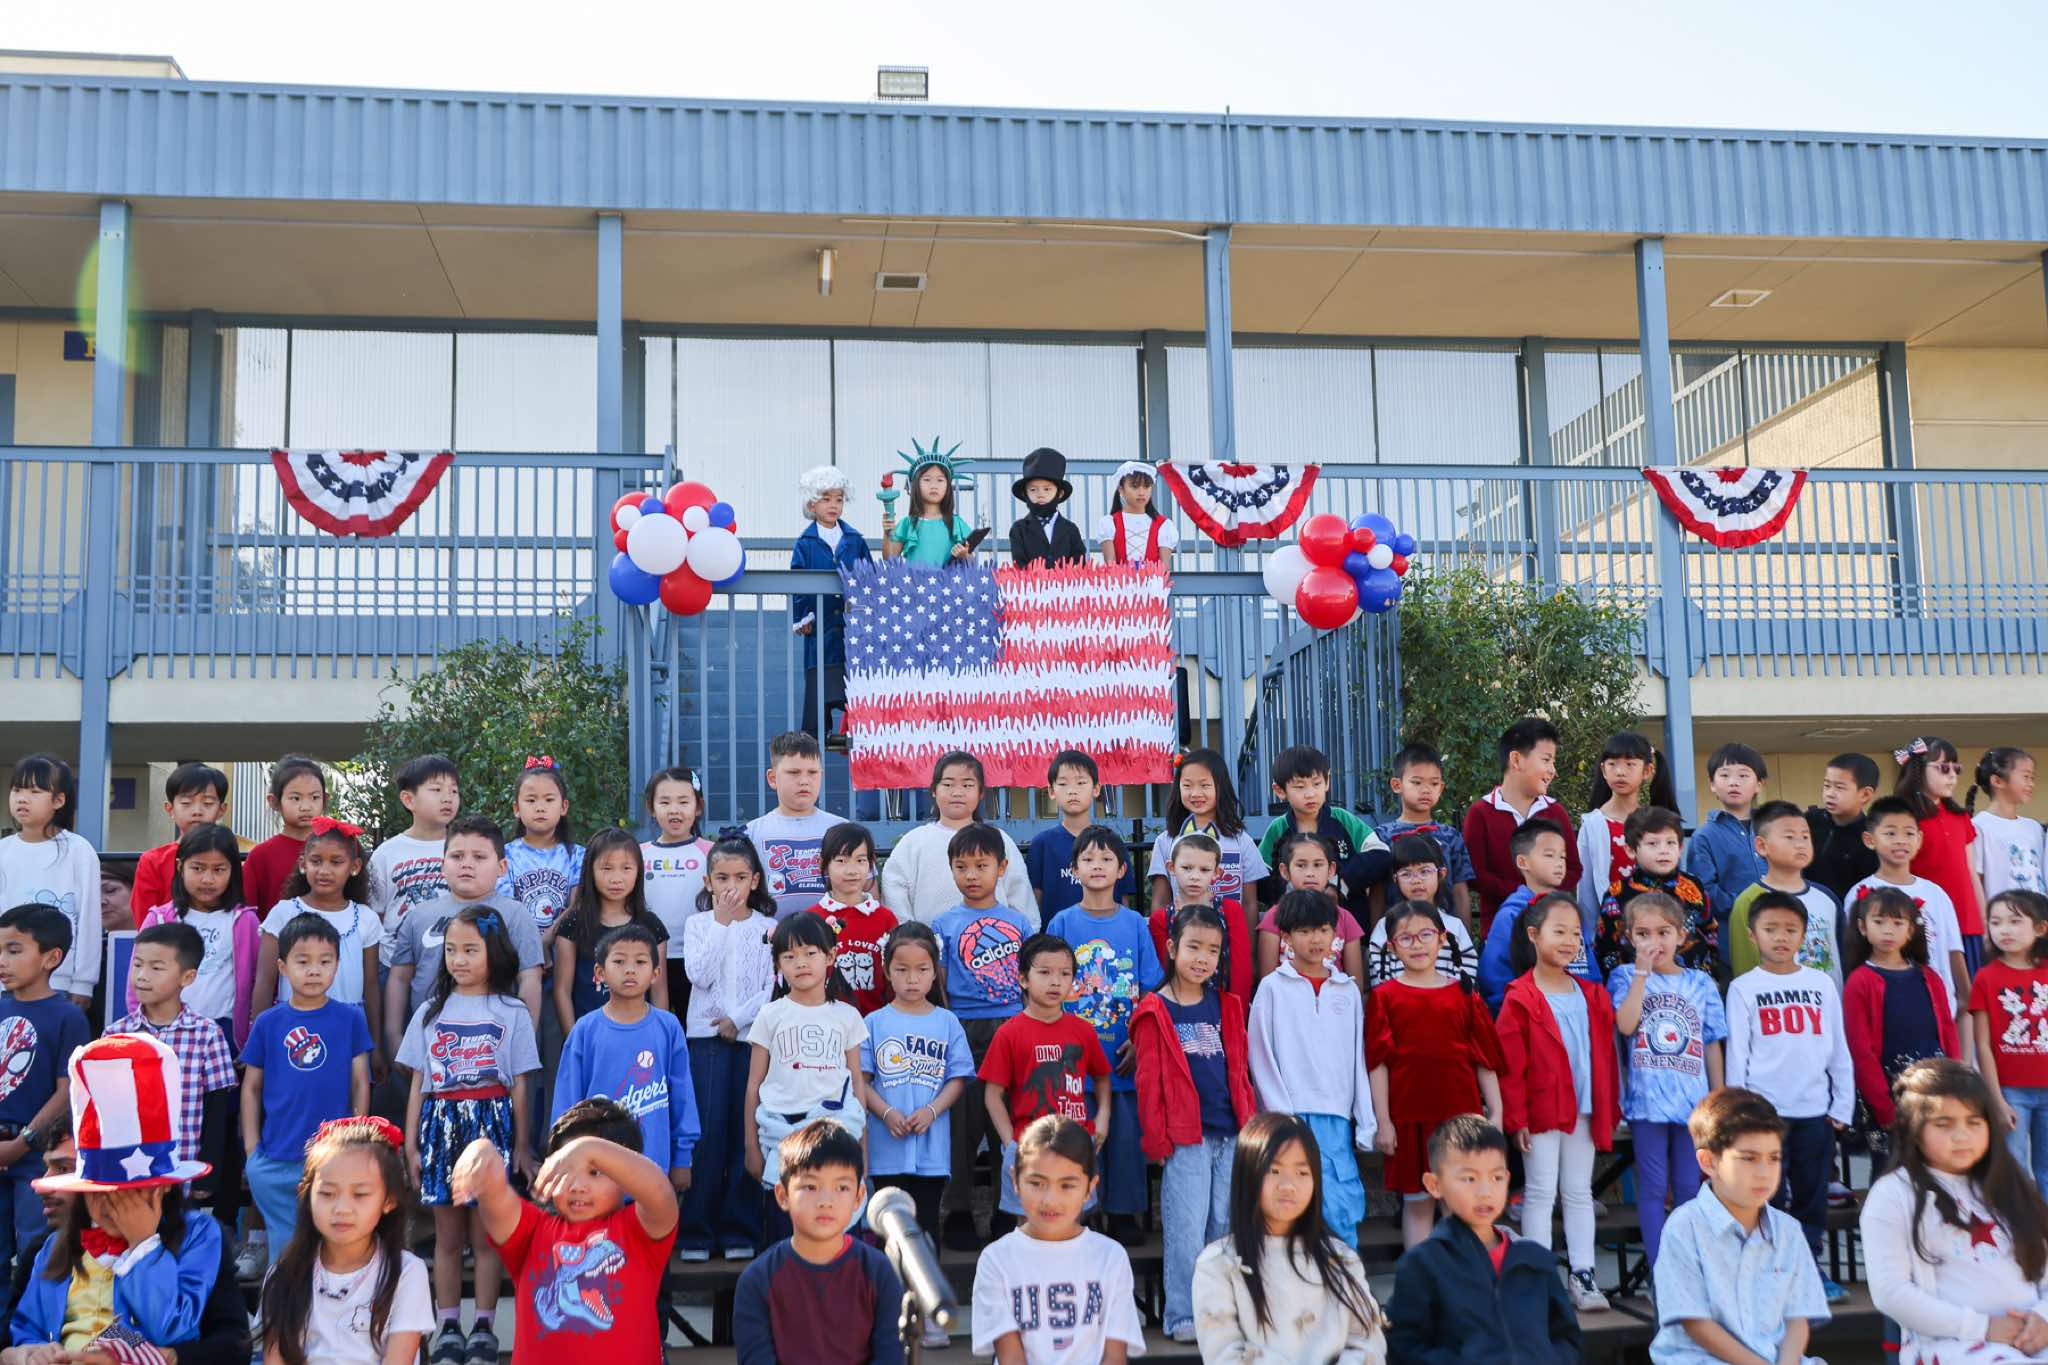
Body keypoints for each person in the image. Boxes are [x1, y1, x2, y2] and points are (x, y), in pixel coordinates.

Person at [4, 1034, 229, 1362]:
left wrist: (143, 1245)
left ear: (162, 1188)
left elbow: (173, 1331)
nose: (114, 1206)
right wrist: (31, 1351)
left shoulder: (198, 1235)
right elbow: (25, 1328)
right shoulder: (53, 1247)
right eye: (100, 1193)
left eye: (130, 1194)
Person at [397, 905, 542, 1364]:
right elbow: (419, 1082)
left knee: (485, 1238)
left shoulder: (512, 1011)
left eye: (470, 950)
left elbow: (521, 1084)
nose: (458, 960)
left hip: (491, 1125)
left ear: (493, 953)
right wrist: (410, 1145)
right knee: (446, 1238)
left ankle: (483, 1326)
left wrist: (521, 1145)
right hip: (441, 1124)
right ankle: (447, 1327)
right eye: (451, 951)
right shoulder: (430, 1011)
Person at [452, 1097, 679, 1365]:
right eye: (566, 1171)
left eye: (595, 1172)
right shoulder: (531, 1231)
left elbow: (660, 1192)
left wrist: (588, 1148)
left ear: (624, 1175)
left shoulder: (639, 1231)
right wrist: (481, 1151)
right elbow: (496, 1198)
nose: (577, 1186)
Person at [1861, 1059, 2048, 1364]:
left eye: (1974, 1122)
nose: (1961, 1135)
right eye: (1943, 1124)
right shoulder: (1892, 1195)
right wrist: (1983, 1327)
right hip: (1950, 1344)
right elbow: (1891, 1292)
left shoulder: (2012, 1186)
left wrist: (2043, 1317)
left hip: (2032, 1335)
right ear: (1913, 1129)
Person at [1132, 905, 1257, 1342]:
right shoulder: (1153, 1010)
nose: (1203, 958)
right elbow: (1148, 1083)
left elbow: (1239, 1072)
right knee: (1186, 1229)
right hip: (1186, 1138)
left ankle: (1220, 1312)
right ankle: (1182, 1314)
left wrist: (1249, 1126)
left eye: (1213, 950)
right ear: (1172, 948)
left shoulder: (1227, 1005)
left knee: (1224, 1227)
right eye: (1194, 947)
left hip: (1231, 1133)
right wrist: (1157, 1141)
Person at [1724, 889, 1854, 1301]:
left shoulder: (1820, 984)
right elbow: (1737, 1055)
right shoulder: (1744, 988)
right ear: (1753, 935)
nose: (1780, 937)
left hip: (1815, 1110)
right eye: (1771, 929)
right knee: (1769, 1194)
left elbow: (1838, 1049)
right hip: (1764, 1115)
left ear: (1803, 935)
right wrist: (1739, 1114)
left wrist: (1842, 1103)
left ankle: (1808, 1266)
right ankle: (1771, 1270)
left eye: (1790, 929)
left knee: (1812, 1195)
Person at [1496, 891, 1620, 1310]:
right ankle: (1539, 1279)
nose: (1570, 941)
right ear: (1534, 935)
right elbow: (1509, 1067)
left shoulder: (1592, 994)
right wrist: (1516, 1119)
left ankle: (1583, 1276)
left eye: (1576, 934)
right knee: (1539, 1192)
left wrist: (1609, 1107)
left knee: (1578, 1192)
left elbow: (1605, 1058)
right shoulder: (1519, 997)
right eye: (1559, 932)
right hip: (1541, 1112)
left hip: (1584, 1109)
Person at [1649, 1087, 1831, 1365]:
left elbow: (1797, 1319)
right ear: (1709, 1162)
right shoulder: (1684, 1227)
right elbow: (1696, 1324)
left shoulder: (1789, 1231)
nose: (1764, 1172)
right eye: (1748, 1158)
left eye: (1774, 1158)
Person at [1191, 1110, 1386, 1362]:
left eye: (1302, 1173)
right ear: (1248, 1175)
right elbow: (1225, 1354)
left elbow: (1367, 1341)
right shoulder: (1219, 1264)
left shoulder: (1341, 1259)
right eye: (1274, 1170)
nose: (1288, 1185)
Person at [1044, 826, 1160, 1244]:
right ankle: (1084, 1213)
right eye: (1088, 859)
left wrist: (1141, 1038)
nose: (1097, 866)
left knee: (1126, 1140)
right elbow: (1048, 986)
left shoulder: (1135, 924)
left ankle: (1124, 1215)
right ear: (1074, 870)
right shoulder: (1062, 922)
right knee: (1077, 1139)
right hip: (1075, 1061)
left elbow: (1151, 990)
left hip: (1123, 1058)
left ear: (1122, 870)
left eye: (1107, 859)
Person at [1386, 1114, 1581, 1363]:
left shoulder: (1534, 1260)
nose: (1485, 1192)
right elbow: (1404, 1347)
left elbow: (1567, 1338)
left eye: (1496, 1178)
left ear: (1507, 1179)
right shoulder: (1423, 1265)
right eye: (1469, 1179)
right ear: (1434, 1184)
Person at [1368, 899, 1503, 1248]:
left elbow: (1484, 1059)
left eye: (1425, 935)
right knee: (1417, 1205)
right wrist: (1383, 1121)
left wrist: (1497, 1113)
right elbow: (1378, 1064)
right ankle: (1423, 1275)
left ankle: (1463, 1274)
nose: (1417, 944)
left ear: (1442, 938)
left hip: (1459, 1118)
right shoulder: (1384, 997)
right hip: (1409, 1118)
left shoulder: (1464, 994)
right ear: (1391, 947)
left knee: (1460, 1204)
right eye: (1406, 938)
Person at [241, 914, 373, 1270]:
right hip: (277, 1154)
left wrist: (358, 1137)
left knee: (331, 1244)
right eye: (303, 961)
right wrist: (252, 1149)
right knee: (285, 1247)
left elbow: (360, 1081)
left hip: (333, 1155)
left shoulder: (350, 1019)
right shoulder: (269, 1022)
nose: (314, 970)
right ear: (283, 967)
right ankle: (280, 1304)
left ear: (337, 965)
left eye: (325, 961)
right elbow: (251, 1087)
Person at [1246, 889, 1376, 1249]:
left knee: (1340, 1207)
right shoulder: (1272, 988)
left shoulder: (1347, 991)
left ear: (1336, 935)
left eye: (1323, 930)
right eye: (1304, 931)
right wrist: (1280, 1112)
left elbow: (1358, 1058)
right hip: (1288, 1115)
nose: (1315, 939)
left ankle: (1342, 1280)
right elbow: (1260, 1054)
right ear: (1286, 938)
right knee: (1289, 1209)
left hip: (1336, 1115)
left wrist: (1365, 1118)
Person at [1609, 892, 1728, 1274]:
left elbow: (1711, 1043)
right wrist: (1641, 975)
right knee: (1654, 1187)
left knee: (1690, 1187)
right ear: (1629, 937)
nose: (1653, 942)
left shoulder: (1701, 983)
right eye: (1643, 934)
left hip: (1693, 1105)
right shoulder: (1624, 977)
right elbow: (1625, 1025)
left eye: (1663, 932)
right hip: (1646, 1104)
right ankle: (1660, 1270)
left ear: (1681, 935)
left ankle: (1688, 1268)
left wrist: (1718, 1097)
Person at [931, 824, 1035, 1250]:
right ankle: (957, 1210)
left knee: (1006, 1122)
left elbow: (1029, 982)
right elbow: (939, 984)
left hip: (1010, 1028)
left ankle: (1006, 1210)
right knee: (962, 1122)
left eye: (981, 865)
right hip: (964, 1029)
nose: (971, 875)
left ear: (1001, 867)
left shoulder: (1019, 923)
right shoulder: (944, 923)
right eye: (962, 867)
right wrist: (949, 1027)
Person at [255, 1116, 432, 1365]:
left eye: (360, 1194)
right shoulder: (283, 1273)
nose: (342, 1208)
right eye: (327, 1193)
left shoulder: (406, 1272)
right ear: (307, 1195)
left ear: (389, 1200)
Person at [970, 1115, 1145, 1364]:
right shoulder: (996, 1260)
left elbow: (1114, 1357)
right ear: (1015, 1180)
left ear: (1090, 1188)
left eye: (1067, 1185)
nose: (1050, 1200)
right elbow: (1011, 1358)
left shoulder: (1111, 1258)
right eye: (1036, 1183)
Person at [677, 835, 777, 1262]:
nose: (731, 886)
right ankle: (696, 1232)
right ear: (708, 881)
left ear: (755, 880)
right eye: (721, 878)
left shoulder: (768, 928)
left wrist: (738, 1019)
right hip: (705, 1041)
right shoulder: (698, 925)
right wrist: (720, 923)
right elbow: (698, 975)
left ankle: (741, 1229)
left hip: (751, 1039)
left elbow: (771, 985)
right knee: (709, 1133)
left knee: (746, 1130)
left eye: (740, 877)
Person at [734, 1120, 907, 1365]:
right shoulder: (758, 1280)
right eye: (811, 1186)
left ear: (859, 1197)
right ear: (782, 1195)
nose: (826, 1200)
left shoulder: (879, 1272)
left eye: (842, 1187)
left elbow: (890, 1356)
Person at [110, 922, 240, 1235]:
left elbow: (218, 1109)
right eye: (138, 965)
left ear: (187, 977)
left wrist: (209, 1171)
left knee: (178, 1240)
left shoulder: (206, 1034)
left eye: (156, 968)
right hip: (129, 1171)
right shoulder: (116, 1034)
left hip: (183, 1168)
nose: (142, 975)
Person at [552, 923, 698, 1198]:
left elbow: (682, 1097)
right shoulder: (585, 1030)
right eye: (619, 961)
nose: (630, 970)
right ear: (600, 973)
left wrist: (682, 1158)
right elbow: (566, 1101)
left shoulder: (668, 1027)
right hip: (596, 1172)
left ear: (656, 973)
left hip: (653, 1171)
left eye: (640, 962)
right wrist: (567, 1154)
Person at [743, 914, 868, 1230]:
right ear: (777, 964)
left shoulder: (847, 1016)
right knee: (784, 1231)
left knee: (835, 1229)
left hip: (836, 1134)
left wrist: (862, 1147)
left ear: (830, 956)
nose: (800, 963)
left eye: (810, 953)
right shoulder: (770, 1015)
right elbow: (754, 1084)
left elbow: (856, 1082)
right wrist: (751, 1146)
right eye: (789, 956)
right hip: (782, 1134)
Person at [382, 815, 545, 1048]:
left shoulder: (516, 915)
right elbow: (399, 978)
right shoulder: (418, 916)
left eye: (479, 857)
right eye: (457, 856)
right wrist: (393, 1036)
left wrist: (523, 1040)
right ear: (443, 864)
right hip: (428, 1043)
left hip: (492, 1044)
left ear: (502, 867)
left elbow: (529, 979)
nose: (466, 864)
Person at [859, 924, 972, 1260]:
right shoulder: (873, 1022)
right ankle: (889, 1292)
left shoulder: (947, 1022)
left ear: (935, 972)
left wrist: (932, 1111)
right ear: (886, 971)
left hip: (931, 1150)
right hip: (886, 1149)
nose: (912, 979)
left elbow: (958, 1078)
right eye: (902, 970)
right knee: (888, 1231)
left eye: (922, 970)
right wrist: (886, 1113)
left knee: (926, 1230)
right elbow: (861, 1080)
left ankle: (926, 1292)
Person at [981, 935, 1112, 1221]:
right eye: (1044, 972)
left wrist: (1102, 1118)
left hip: (1075, 1145)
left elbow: (1102, 1078)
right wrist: (1009, 1142)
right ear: (1023, 979)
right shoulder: (1009, 1033)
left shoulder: (1083, 1031)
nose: (1055, 982)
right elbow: (993, 1095)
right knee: (1028, 1226)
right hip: (1028, 1148)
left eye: (1065, 974)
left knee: (1074, 1225)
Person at [0, 905, 87, 1268]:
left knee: (35, 1250)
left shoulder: (68, 1016)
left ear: (51, 958)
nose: (2, 961)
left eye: (13, 950)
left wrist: (21, 1144)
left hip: (36, 1155)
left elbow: (66, 1091)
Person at [129, 823, 262, 1054]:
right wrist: (141, 1031)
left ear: (233, 871)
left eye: (219, 869)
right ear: (180, 866)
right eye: (198, 868)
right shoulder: (159, 919)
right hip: (163, 1030)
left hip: (225, 1031)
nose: (207, 879)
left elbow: (256, 982)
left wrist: (249, 1039)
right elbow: (137, 979)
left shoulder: (245, 921)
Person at [1852, 795, 1971, 1051]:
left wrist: (1964, 995)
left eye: (1908, 833)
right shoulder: (1860, 892)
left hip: (1937, 1009)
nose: (1901, 840)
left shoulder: (1936, 894)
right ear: (1870, 840)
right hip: (1885, 1012)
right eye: (1890, 833)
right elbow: (1855, 951)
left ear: (1919, 839)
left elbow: (1953, 949)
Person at [1845, 885, 1959, 1148]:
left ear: (1910, 930)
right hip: (1888, 1095)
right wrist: (1884, 1107)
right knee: (1892, 1164)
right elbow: (1861, 1050)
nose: (1888, 930)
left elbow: (1947, 1030)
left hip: (1935, 1090)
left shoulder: (1929, 977)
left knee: (1937, 1158)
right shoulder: (1860, 981)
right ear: (1862, 927)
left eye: (1898, 923)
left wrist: (1955, 1083)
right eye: (1879, 922)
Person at [880, 751, 1035, 927]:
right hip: (928, 942)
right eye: (948, 784)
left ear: (981, 792)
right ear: (934, 790)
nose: (957, 793)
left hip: (996, 941)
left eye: (967, 785)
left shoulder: (998, 839)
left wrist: (1020, 935)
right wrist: (910, 936)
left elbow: (1019, 891)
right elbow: (894, 888)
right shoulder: (914, 842)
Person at [255, 818, 378, 1032]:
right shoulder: (284, 913)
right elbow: (265, 980)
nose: (324, 870)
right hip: (293, 1028)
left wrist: (375, 1041)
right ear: (303, 864)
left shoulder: (366, 919)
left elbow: (371, 984)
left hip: (347, 1030)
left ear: (355, 867)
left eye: (336, 862)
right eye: (316, 861)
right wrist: (258, 1036)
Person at [0, 755, 102, 1010]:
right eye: (17, 790)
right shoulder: (4, 850)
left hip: (58, 982)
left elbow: (89, 918)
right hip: (6, 983)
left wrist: (83, 982)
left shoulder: (79, 850)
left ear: (59, 800)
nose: (22, 798)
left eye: (35, 792)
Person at [1461, 717, 1581, 933]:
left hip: (1550, 929)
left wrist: (1544, 893)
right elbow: (1475, 874)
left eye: (1553, 762)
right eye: (1546, 760)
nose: (1553, 770)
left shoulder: (1556, 812)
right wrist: (1524, 893)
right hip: (1501, 929)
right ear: (1516, 760)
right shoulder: (1481, 813)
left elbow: (1573, 869)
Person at [550, 829, 669, 1031]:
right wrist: (574, 1040)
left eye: (626, 868)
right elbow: (562, 991)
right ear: (590, 871)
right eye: (607, 868)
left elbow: (659, 991)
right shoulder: (573, 924)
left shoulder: (651, 926)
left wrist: (659, 1036)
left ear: (638, 871)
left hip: (640, 1036)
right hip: (589, 1036)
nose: (616, 878)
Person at [1256, 744, 1389, 922]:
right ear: (1280, 790)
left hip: (1348, 923)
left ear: (1327, 781)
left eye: (1317, 783)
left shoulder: (1343, 820)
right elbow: (1260, 876)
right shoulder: (1278, 829)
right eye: (1300, 787)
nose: (1310, 794)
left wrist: (1339, 884)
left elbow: (1381, 854)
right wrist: (1292, 891)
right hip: (1294, 924)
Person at [1970, 889, 2048, 1193]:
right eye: (1996, 922)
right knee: (2014, 1170)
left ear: (2040, 928)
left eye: (2015, 921)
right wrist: (1996, 1099)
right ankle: (2020, 1224)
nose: (2004, 930)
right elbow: (1982, 1044)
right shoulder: (1986, 977)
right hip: (2010, 1091)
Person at [791, 465, 877, 740]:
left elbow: (869, 580)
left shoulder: (855, 540)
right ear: (812, 504)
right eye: (826, 498)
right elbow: (797, 585)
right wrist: (802, 617)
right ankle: (816, 742)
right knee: (819, 700)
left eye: (839, 499)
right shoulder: (805, 543)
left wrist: (867, 616)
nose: (833, 505)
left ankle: (863, 741)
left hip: (854, 636)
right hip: (820, 634)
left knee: (858, 698)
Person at [1727, 800, 1847, 988]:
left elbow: (1842, 954)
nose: (1800, 844)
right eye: (1789, 837)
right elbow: (1745, 968)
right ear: (1762, 846)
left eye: (1805, 837)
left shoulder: (1826, 898)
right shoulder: (1749, 900)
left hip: (1827, 1002)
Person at [1898, 735, 1990, 969]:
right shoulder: (1904, 818)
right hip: (1925, 923)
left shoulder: (1961, 818)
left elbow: (1971, 874)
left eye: (1956, 769)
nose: (1952, 776)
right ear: (1919, 770)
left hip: (1966, 923)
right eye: (1943, 768)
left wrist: (1985, 921)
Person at [1594, 806, 1716, 979]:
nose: (1664, 850)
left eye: (1670, 843)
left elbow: (1710, 931)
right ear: (1631, 850)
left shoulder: (1693, 885)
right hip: (1638, 984)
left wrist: (1710, 975)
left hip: (1691, 984)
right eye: (1653, 844)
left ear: (1680, 848)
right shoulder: (1618, 892)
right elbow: (1606, 947)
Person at [1476, 828, 1590, 1012]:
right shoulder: (1510, 915)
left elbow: (1586, 969)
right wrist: (1517, 1014)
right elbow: (1495, 979)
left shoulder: (1569, 911)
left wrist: (1591, 1007)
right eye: (1549, 855)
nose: (1559, 863)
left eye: (1562, 857)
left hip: (1578, 1013)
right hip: (1530, 1016)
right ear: (1523, 862)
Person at [1149, 747, 1267, 920]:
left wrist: (1248, 939)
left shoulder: (1241, 841)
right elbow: (1160, 902)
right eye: (1187, 785)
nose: (1196, 793)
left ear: (1221, 787)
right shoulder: (1166, 841)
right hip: (1182, 935)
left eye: (1204, 785)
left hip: (1231, 935)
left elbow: (1249, 903)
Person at [746, 730, 848, 919]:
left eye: (812, 772)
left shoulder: (843, 830)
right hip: (770, 935)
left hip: (833, 935)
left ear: (821, 775)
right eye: (793, 773)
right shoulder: (751, 834)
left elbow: (867, 891)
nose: (804, 781)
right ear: (772, 778)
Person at [1578, 730, 1675, 920]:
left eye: (1630, 764)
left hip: (1656, 922)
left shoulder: (1656, 823)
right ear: (1603, 770)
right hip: (1609, 925)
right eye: (1612, 764)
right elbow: (1586, 890)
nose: (1620, 772)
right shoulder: (1593, 825)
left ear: (1647, 771)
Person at [1027, 750, 1136, 919]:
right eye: (1063, 784)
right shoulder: (1042, 844)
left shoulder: (1111, 842)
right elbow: (1034, 903)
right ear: (1051, 791)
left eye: (1081, 783)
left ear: (1096, 789)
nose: (1072, 791)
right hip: (1056, 935)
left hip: (1106, 934)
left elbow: (1122, 899)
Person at [1378, 741, 1477, 924]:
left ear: (1441, 788)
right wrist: (1375, 934)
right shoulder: (1382, 836)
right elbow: (1377, 891)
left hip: (1445, 933)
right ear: (1397, 785)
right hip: (1396, 932)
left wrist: (1465, 936)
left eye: (1434, 783)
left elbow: (1460, 891)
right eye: (1416, 782)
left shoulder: (1451, 836)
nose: (1426, 790)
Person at [1686, 742, 1770, 957]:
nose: (1734, 782)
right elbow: (1703, 892)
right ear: (1712, 784)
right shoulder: (1704, 836)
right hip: (1731, 940)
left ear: (1759, 784)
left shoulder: (1774, 828)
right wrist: (1750, 902)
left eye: (1743, 775)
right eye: (1724, 775)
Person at [1253, 831, 1367, 988]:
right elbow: (1266, 984)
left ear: (1331, 870)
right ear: (1285, 871)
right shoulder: (1274, 917)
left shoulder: (1345, 918)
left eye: (1318, 865)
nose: (1310, 873)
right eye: (1301, 865)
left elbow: (1355, 986)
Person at [1151, 835, 1255, 1004]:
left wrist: (1236, 1012)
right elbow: (1163, 972)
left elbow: (1241, 970)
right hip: (1176, 1006)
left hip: (1224, 1006)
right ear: (1171, 867)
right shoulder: (1161, 918)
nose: (1195, 876)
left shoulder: (1230, 911)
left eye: (1204, 870)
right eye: (1187, 868)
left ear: (1216, 873)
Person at [806, 823, 898, 1015]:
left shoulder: (885, 919)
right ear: (823, 864)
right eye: (841, 861)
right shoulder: (812, 919)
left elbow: (894, 976)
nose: (852, 870)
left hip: (874, 1020)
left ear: (871, 863)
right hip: (825, 1021)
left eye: (860, 860)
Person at [1365, 834, 1478, 987]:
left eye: (1424, 871)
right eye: (1406, 874)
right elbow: (1380, 980)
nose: (1416, 880)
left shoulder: (1454, 926)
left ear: (1441, 874)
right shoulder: (1384, 927)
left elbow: (1466, 977)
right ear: (1395, 879)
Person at [641, 764, 711, 1009]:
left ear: (698, 806)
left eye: (683, 802)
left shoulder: (712, 853)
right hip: (647, 957)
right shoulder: (638, 855)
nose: (674, 810)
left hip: (698, 958)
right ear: (651, 807)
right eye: (664, 802)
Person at [130, 762, 230, 928]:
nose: (197, 811)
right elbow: (144, 920)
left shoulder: (230, 858)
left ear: (222, 809)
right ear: (170, 808)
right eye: (186, 803)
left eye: (207, 803)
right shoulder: (153, 861)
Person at [366, 754, 461, 928]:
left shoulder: (465, 849)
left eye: (454, 791)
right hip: (397, 946)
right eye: (436, 790)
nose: (448, 798)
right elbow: (373, 915)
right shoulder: (387, 853)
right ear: (409, 800)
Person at [499, 755, 583, 945]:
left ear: (564, 806)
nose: (540, 807)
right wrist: (532, 947)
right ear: (516, 808)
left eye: (549, 799)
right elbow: (506, 909)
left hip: (566, 949)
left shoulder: (578, 856)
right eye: (531, 800)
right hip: (516, 949)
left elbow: (577, 906)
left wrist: (545, 940)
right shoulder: (504, 856)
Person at [241, 755, 328, 916]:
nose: (306, 806)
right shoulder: (260, 855)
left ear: (325, 799)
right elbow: (246, 915)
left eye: (314, 797)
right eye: (296, 798)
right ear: (274, 801)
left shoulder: (339, 848)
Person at [882, 440, 976, 565]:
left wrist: (965, 556)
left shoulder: (956, 523)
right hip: (913, 578)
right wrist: (887, 533)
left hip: (949, 579)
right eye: (927, 479)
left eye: (940, 480)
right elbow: (889, 560)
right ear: (915, 485)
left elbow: (973, 563)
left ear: (948, 486)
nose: (934, 485)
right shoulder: (908, 524)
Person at [1807, 752, 1882, 901]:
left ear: (1865, 795)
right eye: (1827, 785)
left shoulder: (1871, 838)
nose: (1830, 793)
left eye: (1840, 788)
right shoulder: (1809, 822)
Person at [1973, 747, 2045, 900]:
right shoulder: (1978, 826)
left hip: (2038, 912)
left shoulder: (2034, 827)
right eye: (2026, 776)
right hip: (2003, 913)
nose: (2031, 784)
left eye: (2032, 778)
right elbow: (1975, 882)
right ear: (1997, 781)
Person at [1008, 446, 1088, 569]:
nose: (1040, 494)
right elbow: (1020, 565)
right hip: (1031, 582)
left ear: (1060, 493)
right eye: (1033, 489)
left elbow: (1079, 563)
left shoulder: (1071, 529)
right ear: (1025, 494)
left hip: (1066, 582)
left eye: (1047, 489)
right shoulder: (1019, 530)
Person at [1094, 459, 1178, 568]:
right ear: (1121, 489)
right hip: (1120, 579)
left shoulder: (1164, 525)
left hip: (1154, 579)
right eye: (1135, 486)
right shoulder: (1109, 523)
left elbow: (1164, 568)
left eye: (1146, 486)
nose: (1141, 492)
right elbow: (1111, 566)